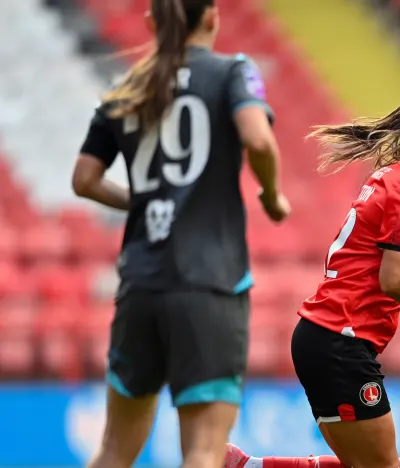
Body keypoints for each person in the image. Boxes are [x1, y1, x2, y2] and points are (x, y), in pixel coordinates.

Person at [224, 91, 400, 468]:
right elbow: (394, 279)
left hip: (325, 337)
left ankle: (246, 465)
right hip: (342, 339)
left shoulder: (392, 175)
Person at [71, 0, 290, 466]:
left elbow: (84, 179)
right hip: (209, 284)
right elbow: (257, 138)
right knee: (203, 450)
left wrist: (143, 200)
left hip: (140, 284)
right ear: (212, 16)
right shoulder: (233, 71)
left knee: (113, 450)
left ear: (152, 22)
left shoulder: (128, 86)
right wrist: (272, 195)